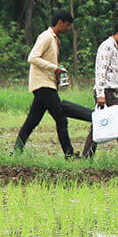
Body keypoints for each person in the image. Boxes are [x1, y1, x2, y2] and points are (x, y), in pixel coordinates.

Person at [14, 10, 78, 159]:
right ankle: (69, 155)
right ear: (60, 23)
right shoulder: (46, 37)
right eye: (67, 25)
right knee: (61, 118)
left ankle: (16, 151)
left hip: (46, 84)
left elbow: (46, 63)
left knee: (32, 121)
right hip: (43, 86)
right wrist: (54, 68)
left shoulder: (54, 39)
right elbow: (32, 57)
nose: (69, 28)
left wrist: (58, 75)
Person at [82, 19, 118, 159]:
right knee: (117, 125)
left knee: (102, 125)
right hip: (106, 92)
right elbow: (101, 72)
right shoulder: (106, 47)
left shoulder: (113, 48)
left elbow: (115, 76)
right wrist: (100, 94)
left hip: (110, 91)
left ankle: (86, 156)